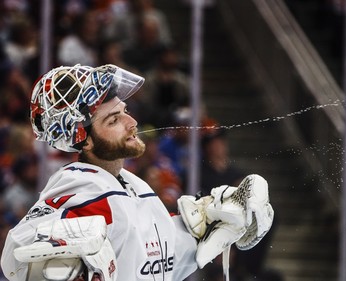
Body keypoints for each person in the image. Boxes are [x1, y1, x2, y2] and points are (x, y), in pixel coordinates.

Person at [0, 64, 274, 281]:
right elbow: (16, 252)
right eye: (114, 119)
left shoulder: (134, 187)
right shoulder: (80, 193)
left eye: (125, 111)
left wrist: (212, 221)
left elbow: (156, 260)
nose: (132, 123)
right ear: (84, 138)